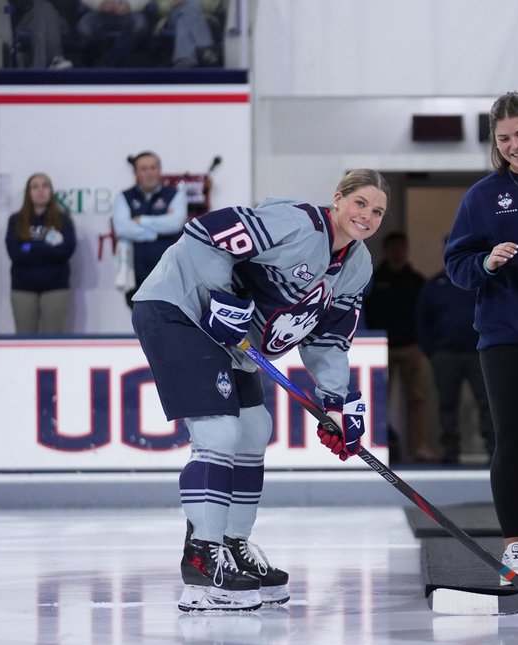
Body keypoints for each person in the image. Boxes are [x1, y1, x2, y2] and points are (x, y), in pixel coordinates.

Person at [130, 169, 389, 612]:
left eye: (378, 211)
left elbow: (328, 339)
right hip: (179, 308)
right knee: (218, 431)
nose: (367, 215)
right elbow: (206, 232)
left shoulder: (358, 265)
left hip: (232, 340)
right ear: (338, 198)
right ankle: (202, 558)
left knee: (254, 429)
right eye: (360, 203)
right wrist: (220, 296)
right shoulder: (296, 224)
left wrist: (335, 403)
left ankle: (232, 545)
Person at [444, 91, 518, 587]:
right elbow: (457, 264)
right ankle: (514, 547)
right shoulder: (482, 196)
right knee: (512, 442)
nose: (515, 145)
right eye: (504, 139)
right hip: (505, 337)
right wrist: (486, 262)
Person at [363, 231, 439, 463]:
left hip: (411, 347)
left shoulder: (416, 281)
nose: (397, 252)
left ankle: (420, 447)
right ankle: (377, 445)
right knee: (377, 399)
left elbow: (426, 316)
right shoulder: (374, 280)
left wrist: (423, 343)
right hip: (380, 347)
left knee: (417, 399)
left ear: (406, 250)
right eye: (393, 248)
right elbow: (366, 312)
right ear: (386, 250)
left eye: (401, 248)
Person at [416, 264, 495, 464]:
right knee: (447, 403)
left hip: (479, 353)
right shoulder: (435, 284)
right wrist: (431, 351)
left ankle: (494, 450)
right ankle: (450, 450)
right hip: (445, 355)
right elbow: (422, 319)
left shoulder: (479, 278)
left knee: (488, 403)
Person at [5, 173, 77, 334]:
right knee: (24, 338)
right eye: (35, 186)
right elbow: (15, 253)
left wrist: (29, 247)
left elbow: (65, 251)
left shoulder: (64, 220)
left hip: (55, 287)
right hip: (23, 288)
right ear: (28, 192)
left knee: (53, 339)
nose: (40, 190)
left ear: (51, 191)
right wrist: (47, 248)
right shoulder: (16, 220)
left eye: (45, 186)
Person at [113, 151, 187, 307]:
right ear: (136, 173)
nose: (149, 173)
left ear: (159, 170)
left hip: (170, 276)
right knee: (139, 320)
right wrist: (157, 230)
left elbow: (175, 224)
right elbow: (122, 229)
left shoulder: (175, 194)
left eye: (153, 168)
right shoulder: (124, 197)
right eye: (144, 169)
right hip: (136, 277)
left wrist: (141, 220)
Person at [77, 0, 150, 67]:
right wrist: (100, 3)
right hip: (99, 13)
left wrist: (129, 5)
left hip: (130, 13)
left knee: (140, 24)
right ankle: (102, 62)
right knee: (84, 26)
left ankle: (107, 64)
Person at [152, 0, 222, 67]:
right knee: (186, 9)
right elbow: (160, 10)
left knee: (184, 18)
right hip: (173, 17)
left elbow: (212, 6)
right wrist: (173, 2)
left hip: (203, 18)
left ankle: (184, 59)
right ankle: (205, 48)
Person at [14, 0, 77, 69]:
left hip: (60, 16)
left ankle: (53, 62)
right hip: (28, 16)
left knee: (46, 9)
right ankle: (53, 61)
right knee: (44, 8)